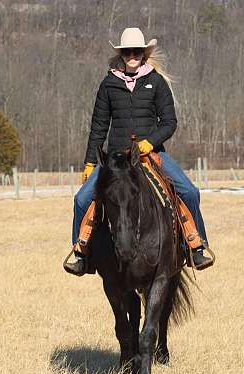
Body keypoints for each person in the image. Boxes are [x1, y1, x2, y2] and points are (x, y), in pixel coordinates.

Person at [64, 27, 214, 276]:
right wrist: (90, 162)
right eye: (127, 51)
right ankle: (82, 254)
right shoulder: (109, 84)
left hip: (150, 155)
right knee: (81, 199)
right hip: (115, 159)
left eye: (136, 51)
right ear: (121, 54)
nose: (132, 55)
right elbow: (99, 127)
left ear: (144, 53)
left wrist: (148, 143)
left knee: (189, 191)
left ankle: (196, 247)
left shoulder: (156, 81)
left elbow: (169, 122)